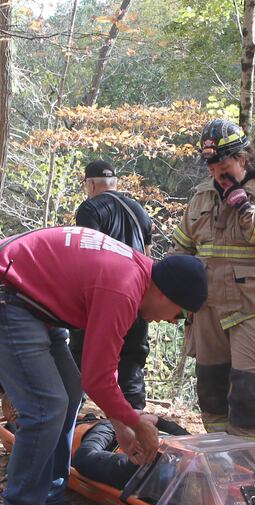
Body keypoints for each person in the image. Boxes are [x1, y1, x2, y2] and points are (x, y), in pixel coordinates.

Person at [0, 226, 207, 505]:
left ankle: (49, 497)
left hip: (28, 299)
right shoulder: (124, 289)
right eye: (180, 315)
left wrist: (122, 426)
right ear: (167, 295)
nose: (170, 322)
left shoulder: (135, 275)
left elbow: (98, 373)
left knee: (69, 391)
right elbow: (99, 378)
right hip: (1, 292)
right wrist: (135, 424)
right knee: (46, 405)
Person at [171, 118, 255, 441]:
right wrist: (173, 298)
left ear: (242, 158)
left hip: (253, 309)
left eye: (222, 165)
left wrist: (246, 209)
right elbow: (180, 252)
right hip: (208, 310)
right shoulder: (201, 197)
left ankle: (249, 467)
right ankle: (220, 460)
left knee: (247, 396)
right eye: (211, 167)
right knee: (210, 391)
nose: (216, 174)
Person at [70, 159, 153, 410]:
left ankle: (75, 409)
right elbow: (148, 255)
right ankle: (135, 414)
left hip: (104, 293)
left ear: (90, 184)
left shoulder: (89, 208)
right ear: (115, 182)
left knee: (81, 351)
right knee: (133, 355)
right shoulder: (139, 210)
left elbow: (88, 252)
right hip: (139, 290)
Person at [73, 415, 189, 489]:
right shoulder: (196, 457)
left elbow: (83, 457)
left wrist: (121, 427)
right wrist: (156, 421)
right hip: (108, 430)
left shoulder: (136, 470)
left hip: (101, 434)